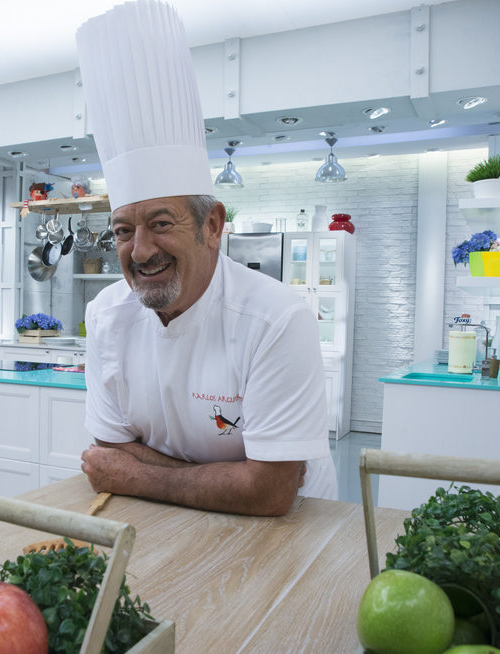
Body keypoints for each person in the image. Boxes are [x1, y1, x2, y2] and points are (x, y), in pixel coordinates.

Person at [75, 0, 337, 516]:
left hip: (295, 535)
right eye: (124, 230)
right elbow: (110, 454)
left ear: (213, 225)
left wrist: (140, 473)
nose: (140, 250)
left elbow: (271, 493)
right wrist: (233, 478)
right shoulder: (107, 316)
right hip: (165, 523)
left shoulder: (276, 319)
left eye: (161, 223)